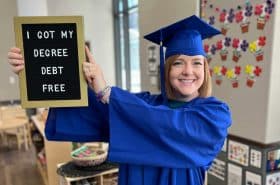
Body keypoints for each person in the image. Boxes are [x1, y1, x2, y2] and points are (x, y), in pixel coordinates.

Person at [7, 15, 231, 185]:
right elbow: (98, 110)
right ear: (167, 69)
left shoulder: (215, 114)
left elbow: (171, 125)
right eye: (178, 62)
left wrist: (108, 93)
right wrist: (38, 75)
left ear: (206, 70)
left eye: (197, 63)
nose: (188, 71)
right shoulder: (146, 104)